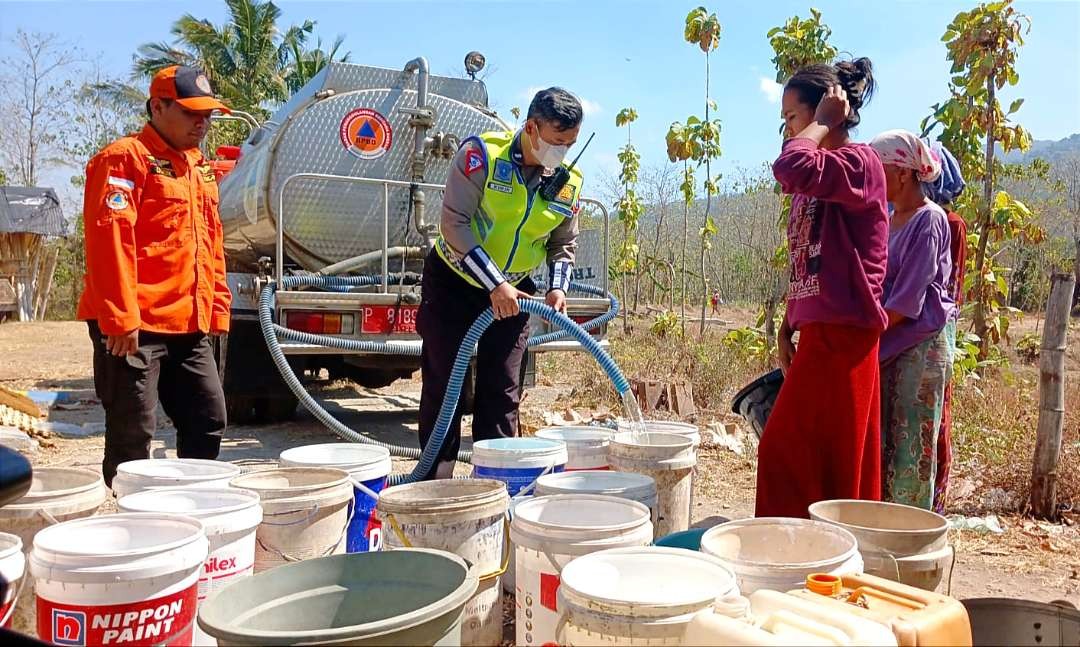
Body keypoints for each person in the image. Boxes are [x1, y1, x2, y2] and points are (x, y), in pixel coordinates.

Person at [416, 88, 584, 479]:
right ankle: (435, 479)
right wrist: (493, 283)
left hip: (515, 292)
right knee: (445, 384)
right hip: (455, 282)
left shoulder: (568, 184)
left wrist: (557, 288)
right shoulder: (481, 157)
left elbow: (564, 244)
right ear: (531, 128)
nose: (562, 152)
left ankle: (497, 480)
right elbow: (454, 223)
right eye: (557, 142)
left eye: (570, 144)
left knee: (503, 390)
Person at [77, 66, 232, 488]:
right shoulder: (125, 159)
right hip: (136, 325)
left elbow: (210, 245)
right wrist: (120, 318)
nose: (202, 123)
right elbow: (110, 240)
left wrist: (216, 310)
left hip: (190, 322)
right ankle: (130, 526)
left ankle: (197, 502)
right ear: (158, 107)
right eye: (190, 113)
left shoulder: (197, 169)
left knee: (208, 417)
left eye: (208, 115)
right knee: (133, 434)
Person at [757, 58, 889, 518]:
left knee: (788, 455)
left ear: (823, 112)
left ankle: (796, 560)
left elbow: (789, 166)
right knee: (813, 463)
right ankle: (804, 563)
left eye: (792, 117)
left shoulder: (859, 164)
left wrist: (820, 125)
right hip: (821, 334)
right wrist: (788, 326)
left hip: (845, 335)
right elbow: (810, 260)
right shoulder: (824, 173)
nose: (788, 130)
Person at [869, 130, 957, 511]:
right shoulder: (888, 218)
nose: (874, 179)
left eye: (880, 170)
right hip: (890, 342)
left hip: (920, 345)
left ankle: (909, 532)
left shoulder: (930, 221)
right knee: (887, 442)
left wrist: (860, 334)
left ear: (903, 173)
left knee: (912, 448)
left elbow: (906, 302)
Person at [921, 139, 968, 514]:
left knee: (936, 420)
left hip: (932, 333)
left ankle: (932, 506)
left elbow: (940, 288)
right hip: (916, 332)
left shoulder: (947, 224)